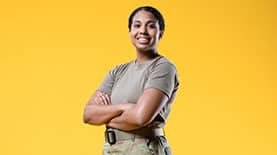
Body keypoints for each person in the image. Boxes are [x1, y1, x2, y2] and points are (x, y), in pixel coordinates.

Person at [83, 6, 179, 155]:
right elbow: (88, 114)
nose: (143, 31)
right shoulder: (117, 71)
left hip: (144, 149)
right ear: (130, 32)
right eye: (137, 25)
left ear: (160, 33)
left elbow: (140, 117)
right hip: (111, 149)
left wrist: (105, 117)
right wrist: (125, 107)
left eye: (151, 26)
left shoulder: (163, 67)